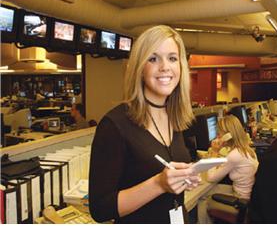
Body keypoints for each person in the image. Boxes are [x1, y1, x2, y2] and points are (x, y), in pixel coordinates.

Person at [89, 25, 201, 224]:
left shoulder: (174, 116)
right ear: (140, 69)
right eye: (153, 58)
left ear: (181, 67)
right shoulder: (114, 125)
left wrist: (183, 177)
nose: (165, 67)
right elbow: (100, 209)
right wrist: (159, 183)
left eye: (172, 58)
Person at [197, 115, 259, 224]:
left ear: (228, 135)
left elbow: (210, 177)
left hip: (240, 199)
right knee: (208, 190)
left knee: (202, 196)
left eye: (219, 133)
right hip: (248, 195)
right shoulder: (247, 149)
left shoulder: (235, 155)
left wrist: (215, 152)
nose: (218, 136)